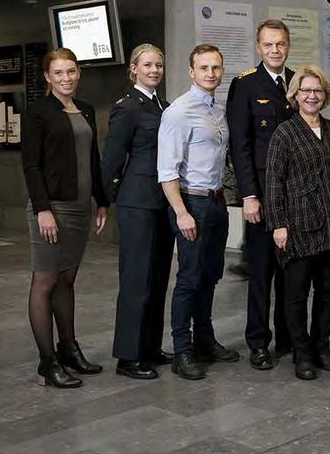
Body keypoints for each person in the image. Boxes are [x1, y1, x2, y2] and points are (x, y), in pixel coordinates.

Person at [21, 48, 110, 388]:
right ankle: (47, 361)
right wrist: (43, 209)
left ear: (78, 73)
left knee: (67, 279)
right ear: (47, 76)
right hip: (53, 208)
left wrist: (101, 200)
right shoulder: (38, 112)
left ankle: (69, 349)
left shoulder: (85, 109)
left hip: (80, 208)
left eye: (71, 71)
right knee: (45, 281)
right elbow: (31, 165)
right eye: (58, 73)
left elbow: (93, 159)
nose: (66, 78)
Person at [263, 66, 330, 381]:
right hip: (297, 226)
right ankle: (301, 354)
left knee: (327, 292)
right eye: (305, 90)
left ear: (324, 95)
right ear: (295, 95)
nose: (311, 96)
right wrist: (278, 225)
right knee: (296, 295)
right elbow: (274, 183)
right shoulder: (284, 133)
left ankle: (321, 349)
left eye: (317, 91)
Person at [158, 44, 235, 380]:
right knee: (189, 279)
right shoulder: (178, 112)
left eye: (216, 68)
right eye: (203, 68)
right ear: (191, 72)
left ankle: (205, 340)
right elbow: (167, 170)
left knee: (211, 275)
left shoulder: (217, 109)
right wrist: (181, 212)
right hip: (192, 203)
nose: (210, 74)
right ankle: (182, 350)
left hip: (217, 201)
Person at [226, 20, 295, 371]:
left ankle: (288, 338)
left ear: (288, 46)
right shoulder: (245, 85)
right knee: (261, 272)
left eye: (280, 44)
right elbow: (240, 146)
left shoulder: (298, 82)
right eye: (268, 45)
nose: (275, 50)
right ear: (258, 47)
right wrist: (249, 196)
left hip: (294, 196)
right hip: (262, 197)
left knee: (291, 272)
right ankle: (258, 342)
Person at [102, 44, 173, 381]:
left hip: (163, 201)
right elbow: (112, 159)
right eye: (147, 65)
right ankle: (128, 355)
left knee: (157, 278)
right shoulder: (127, 108)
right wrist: (112, 200)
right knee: (135, 280)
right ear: (133, 69)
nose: (154, 70)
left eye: (158, 65)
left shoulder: (164, 105)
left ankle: (149, 347)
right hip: (137, 202)